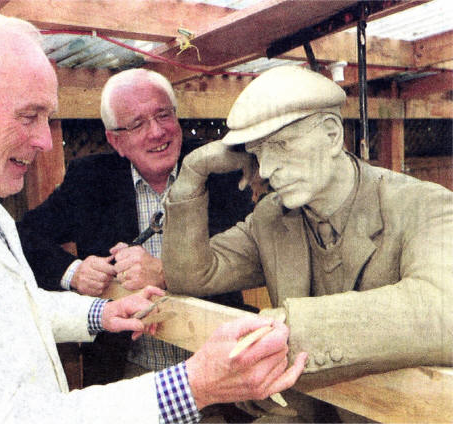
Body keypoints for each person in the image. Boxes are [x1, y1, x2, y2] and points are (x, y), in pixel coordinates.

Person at [0, 14, 306, 423]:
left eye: (46, 118)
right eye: (29, 116)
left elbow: (5, 309)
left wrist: (99, 313)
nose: (46, 142)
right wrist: (194, 385)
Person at [161, 65, 453, 419]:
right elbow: (191, 276)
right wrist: (192, 173)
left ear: (332, 135)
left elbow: (443, 310)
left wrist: (286, 327)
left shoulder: (422, 205)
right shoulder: (272, 217)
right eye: (258, 153)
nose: (266, 171)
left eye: (281, 146)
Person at [17, 68, 255, 385]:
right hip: (127, 374)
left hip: (218, 366)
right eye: (138, 124)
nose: (157, 132)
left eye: (163, 116)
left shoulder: (221, 174)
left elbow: (255, 254)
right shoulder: (89, 180)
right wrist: (74, 272)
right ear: (116, 141)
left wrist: (168, 271)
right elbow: (23, 236)